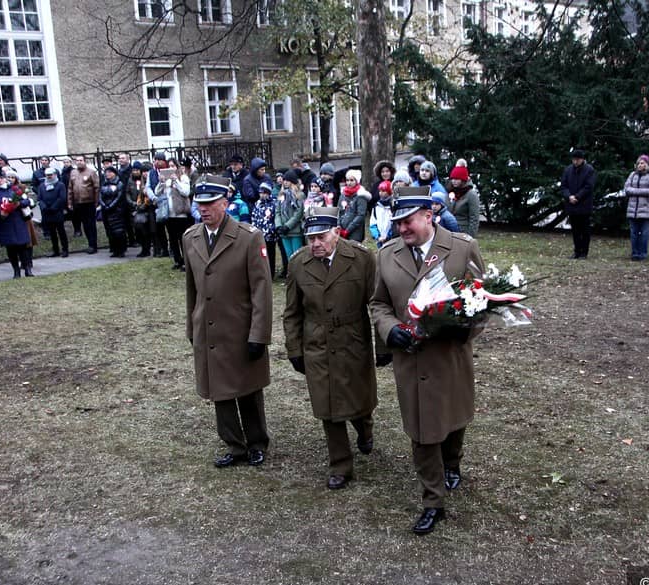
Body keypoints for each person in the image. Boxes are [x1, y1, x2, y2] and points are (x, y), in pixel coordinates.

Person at [369, 185, 485, 535]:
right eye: (397, 222)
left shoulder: (462, 248)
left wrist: (462, 327)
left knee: (453, 418)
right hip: (412, 360)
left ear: (429, 216)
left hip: (450, 356)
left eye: (408, 221)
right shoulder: (387, 255)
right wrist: (390, 330)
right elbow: (378, 304)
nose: (401, 228)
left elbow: (480, 301)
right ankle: (433, 501)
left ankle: (453, 462)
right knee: (421, 431)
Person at [282, 206, 380, 490]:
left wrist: (384, 345)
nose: (315, 244)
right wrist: (294, 349)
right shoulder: (298, 263)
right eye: (310, 238)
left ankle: (364, 426)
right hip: (317, 343)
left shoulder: (362, 258)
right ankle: (340, 464)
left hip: (353, 340)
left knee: (359, 398)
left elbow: (378, 303)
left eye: (321, 237)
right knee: (326, 404)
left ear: (337, 232)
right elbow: (292, 312)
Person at [183, 175, 273, 468]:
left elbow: (261, 290)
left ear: (225, 203)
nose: (204, 208)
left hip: (240, 328)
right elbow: (192, 289)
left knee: (247, 387)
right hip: (208, 329)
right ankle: (234, 445)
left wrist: (259, 335)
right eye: (200, 203)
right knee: (218, 389)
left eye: (210, 203)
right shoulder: (191, 238)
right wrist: (192, 326)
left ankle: (256, 442)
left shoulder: (248, 237)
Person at [0, 171, 32, 278]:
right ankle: (16, 271)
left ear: (5, 179)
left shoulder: (14, 189)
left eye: (1, 178)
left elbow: (26, 201)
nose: (0, 180)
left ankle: (27, 269)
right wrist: (0, 212)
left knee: (23, 246)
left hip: (18, 221)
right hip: (5, 223)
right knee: (11, 248)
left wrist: (19, 203)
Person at [560, 149, 597, 259]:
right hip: (571, 205)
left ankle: (584, 252)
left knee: (584, 230)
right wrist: (569, 196)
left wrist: (577, 196)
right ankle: (577, 251)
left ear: (582, 159)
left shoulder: (589, 170)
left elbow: (588, 186)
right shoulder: (568, 170)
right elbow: (563, 186)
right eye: (574, 159)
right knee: (575, 230)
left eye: (577, 159)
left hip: (584, 204)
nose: (575, 161)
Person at [624, 155, 649, 261]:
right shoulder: (632, 175)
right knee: (633, 233)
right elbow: (627, 189)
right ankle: (635, 253)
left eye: (642, 163)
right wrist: (640, 191)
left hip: (646, 211)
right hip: (633, 210)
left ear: (647, 164)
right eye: (638, 163)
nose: (640, 165)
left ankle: (643, 254)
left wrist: (635, 191)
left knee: (644, 233)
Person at [67, 155, 100, 254]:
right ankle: (90, 244)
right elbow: (70, 188)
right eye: (77, 160)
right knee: (85, 225)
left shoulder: (91, 172)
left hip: (89, 203)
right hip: (78, 203)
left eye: (81, 160)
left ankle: (93, 245)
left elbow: (96, 188)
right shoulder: (73, 172)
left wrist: (96, 202)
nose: (79, 162)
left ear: (85, 161)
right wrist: (69, 202)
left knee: (91, 225)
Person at [164, 163, 193, 270]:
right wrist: (161, 182)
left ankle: (186, 261)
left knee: (182, 239)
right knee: (172, 239)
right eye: (169, 166)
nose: (171, 168)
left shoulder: (183, 177)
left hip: (181, 213)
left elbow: (186, 192)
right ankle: (177, 260)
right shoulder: (167, 180)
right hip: (170, 214)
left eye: (173, 166)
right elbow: (159, 193)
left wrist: (176, 180)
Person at [275, 169, 305, 265]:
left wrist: (287, 226)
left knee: (297, 257)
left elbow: (299, 213)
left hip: (295, 231)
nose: (285, 182)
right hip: (284, 232)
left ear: (293, 182)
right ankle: (291, 273)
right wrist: (279, 225)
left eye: (287, 180)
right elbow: (277, 211)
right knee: (289, 258)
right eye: (284, 180)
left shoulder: (299, 195)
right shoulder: (281, 195)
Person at [37, 167, 69, 257]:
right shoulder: (42, 186)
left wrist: (53, 207)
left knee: (61, 232)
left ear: (55, 175)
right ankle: (55, 250)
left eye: (50, 175)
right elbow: (39, 199)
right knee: (52, 233)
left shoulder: (60, 185)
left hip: (57, 212)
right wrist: (44, 207)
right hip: (47, 213)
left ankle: (65, 250)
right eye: (47, 175)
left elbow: (62, 198)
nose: (49, 176)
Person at [99, 166, 128, 258]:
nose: (107, 174)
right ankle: (115, 250)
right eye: (106, 172)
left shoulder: (119, 183)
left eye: (109, 172)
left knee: (119, 231)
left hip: (117, 211)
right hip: (106, 211)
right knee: (110, 232)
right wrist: (103, 205)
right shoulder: (104, 184)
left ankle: (121, 250)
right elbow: (100, 196)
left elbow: (119, 197)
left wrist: (111, 205)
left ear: (114, 173)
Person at [251, 182, 278, 275]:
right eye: (260, 193)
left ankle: (271, 273)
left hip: (270, 235)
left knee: (271, 254)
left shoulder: (274, 203)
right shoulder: (257, 203)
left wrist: (272, 229)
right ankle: (263, 272)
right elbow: (254, 217)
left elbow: (276, 217)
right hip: (259, 234)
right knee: (262, 254)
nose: (262, 195)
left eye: (264, 193)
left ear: (268, 193)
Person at [127, 162, 153, 257]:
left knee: (149, 231)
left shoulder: (149, 181)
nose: (135, 172)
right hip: (138, 207)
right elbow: (128, 193)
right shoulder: (133, 181)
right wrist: (136, 203)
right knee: (140, 230)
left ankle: (150, 249)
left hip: (148, 208)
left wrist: (144, 205)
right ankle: (144, 249)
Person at [336, 169, 370, 242]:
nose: (349, 183)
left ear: (356, 181)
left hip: (355, 232)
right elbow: (338, 211)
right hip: (341, 229)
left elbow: (361, 215)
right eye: (347, 180)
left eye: (352, 180)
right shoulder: (343, 195)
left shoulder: (361, 195)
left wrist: (348, 230)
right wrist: (338, 226)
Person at [448, 163, 480, 238]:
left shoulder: (471, 194)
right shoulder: (452, 192)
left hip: (463, 232)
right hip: (450, 231)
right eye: (452, 179)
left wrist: (470, 237)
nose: (454, 181)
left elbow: (474, 218)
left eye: (457, 179)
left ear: (463, 180)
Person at [369, 180, 393, 247]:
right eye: (380, 191)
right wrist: (377, 236)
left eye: (383, 191)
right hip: (380, 240)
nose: (381, 193)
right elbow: (373, 223)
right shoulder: (376, 207)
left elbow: (395, 224)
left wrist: (388, 236)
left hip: (391, 240)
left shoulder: (393, 206)